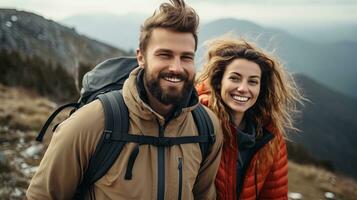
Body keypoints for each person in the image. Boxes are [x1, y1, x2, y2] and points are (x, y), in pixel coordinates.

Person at [26, 0, 223, 199]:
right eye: (164, 55)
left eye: (186, 57)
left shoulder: (207, 127)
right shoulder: (93, 122)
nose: (176, 67)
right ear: (141, 58)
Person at [196, 38, 303, 200]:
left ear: (261, 88)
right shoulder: (197, 122)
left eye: (253, 81)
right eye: (234, 78)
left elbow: (274, 195)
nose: (243, 88)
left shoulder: (270, 137)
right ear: (219, 82)